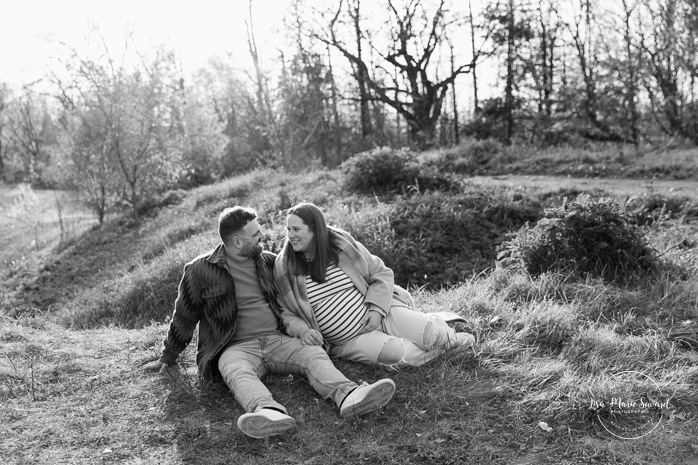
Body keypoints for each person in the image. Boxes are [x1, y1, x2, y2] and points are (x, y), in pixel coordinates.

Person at [142, 206, 396, 439]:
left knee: (313, 354)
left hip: (278, 340)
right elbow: (184, 316)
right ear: (237, 241)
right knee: (235, 370)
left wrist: (307, 328)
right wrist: (168, 356)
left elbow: (299, 299)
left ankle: (350, 396)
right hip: (234, 347)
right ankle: (268, 412)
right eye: (256, 234)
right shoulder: (199, 270)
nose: (263, 236)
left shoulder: (270, 262)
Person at [274, 202, 476, 371]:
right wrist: (303, 332)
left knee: (430, 333)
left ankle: (443, 335)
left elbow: (382, 273)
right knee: (395, 355)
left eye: (296, 229)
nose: (290, 235)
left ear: (315, 230)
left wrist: (377, 309)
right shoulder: (286, 268)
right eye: (288, 229)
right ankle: (439, 346)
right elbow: (287, 313)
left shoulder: (342, 246)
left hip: (382, 313)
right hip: (349, 340)